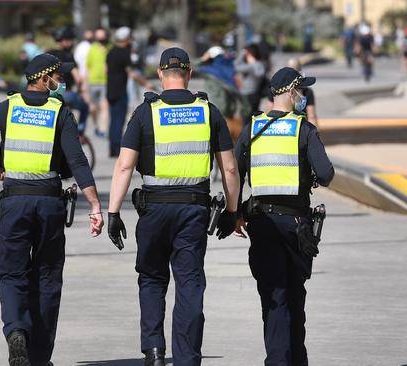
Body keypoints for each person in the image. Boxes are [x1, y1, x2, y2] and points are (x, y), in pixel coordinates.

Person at [0, 53, 104, 366]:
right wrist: (95, 204)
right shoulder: (60, 112)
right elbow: (78, 162)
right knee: (47, 277)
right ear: (44, 78)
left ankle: (16, 332)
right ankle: (39, 357)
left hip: (14, 202)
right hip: (50, 204)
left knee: (11, 275)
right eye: (59, 77)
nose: (62, 82)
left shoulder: (6, 108)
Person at [107, 47, 240, 366]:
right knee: (190, 282)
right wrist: (232, 212)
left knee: (152, 278)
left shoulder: (145, 112)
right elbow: (230, 168)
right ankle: (187, 358)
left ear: (160, 74)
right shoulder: (208, 111)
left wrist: (113, 212)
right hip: (194, 209)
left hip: (153, 209)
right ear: (190, 74)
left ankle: (153, 350)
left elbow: (125, 166)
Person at [234, 67, 334, 366]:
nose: (302, 95)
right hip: (296, 226)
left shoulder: (252, 128)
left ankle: (277, 361)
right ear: (290, 92)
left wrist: (235, 214)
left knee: (273, 297)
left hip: (262, 223)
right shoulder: (303, 129)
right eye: (300, 90)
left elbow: (234, 174)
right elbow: (327, 174)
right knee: (294, 296)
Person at [106, 26, 154, 157]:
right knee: (118, 119)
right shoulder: (124, 53)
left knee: (113, 119)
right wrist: (146, 83)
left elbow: (106, 70)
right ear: (126, 39)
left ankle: (112, 147)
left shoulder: (110, 52)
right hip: (120, 90)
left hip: (110, 89)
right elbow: (132, 74)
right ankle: (116, 149)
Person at [47, 26, 90, 134]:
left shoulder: (48, 53)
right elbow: (78, 78)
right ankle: (79, 133)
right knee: (85, 106)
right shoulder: (67, 55)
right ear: (65, 40)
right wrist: (80, 91)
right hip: (65, 93)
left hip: (48, 93)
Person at [85, 28, 110, 137]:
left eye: (102, 37)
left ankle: (103, 130)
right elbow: (87, 66)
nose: (101, 40)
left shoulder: (110, 48)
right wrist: (86, 82)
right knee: (93, 108)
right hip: (92, 82)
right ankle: (96, 125)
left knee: (104, 105)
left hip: (105, 81)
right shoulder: (92, 48)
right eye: (98, 37)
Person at [235, 44, 265, 115]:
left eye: (248, 54)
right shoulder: (249, 66)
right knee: (246, 116)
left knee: (251, 115)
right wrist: (242, 54)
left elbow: (260, 74)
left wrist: (253, 62)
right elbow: (236, 66)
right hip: (245, 94)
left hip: (253, 94)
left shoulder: (257, 64)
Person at [286, 58, 318, 125]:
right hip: (301, 128)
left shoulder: (277, 91)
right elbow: (311, 116)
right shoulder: (307, 91)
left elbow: (270, 110)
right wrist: (315, 134)